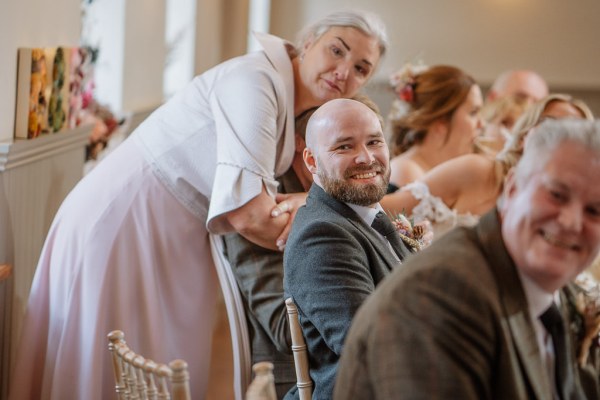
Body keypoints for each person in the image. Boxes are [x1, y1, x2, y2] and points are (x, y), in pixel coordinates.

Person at [9, 10, 388, 400]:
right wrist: (321, 216)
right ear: (308, 43)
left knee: (159, 361)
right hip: (132, 216)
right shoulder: (255, 82)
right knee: (108, 355)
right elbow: (250, 214)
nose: (344, 72)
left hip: (182, 231)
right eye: (336, 51)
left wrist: (308, 206)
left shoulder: (292, 105)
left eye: (361, 68)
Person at [335, 118, 600, 399]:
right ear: (512, 189)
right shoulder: (437, 299)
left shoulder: (561, 294)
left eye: (595, 211)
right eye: (556, 195)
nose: (571, 222)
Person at [283, 98, 413, 399]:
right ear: (312, 161)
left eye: (374, 141)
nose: (366, 158)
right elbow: (372, 348)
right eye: (344, 147)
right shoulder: (322, 235)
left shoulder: (365, 216)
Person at [381, 93, 594, 238]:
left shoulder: (568, 210)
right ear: (524, 135)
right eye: (549, 125)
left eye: (573, 132)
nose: (558, 139)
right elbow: (384, 210)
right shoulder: (477, 171)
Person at [387, 65, 484, 189]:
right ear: (441, 120)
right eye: (473, 112)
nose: (482, 124)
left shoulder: (444, 171)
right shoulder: (407, 172)